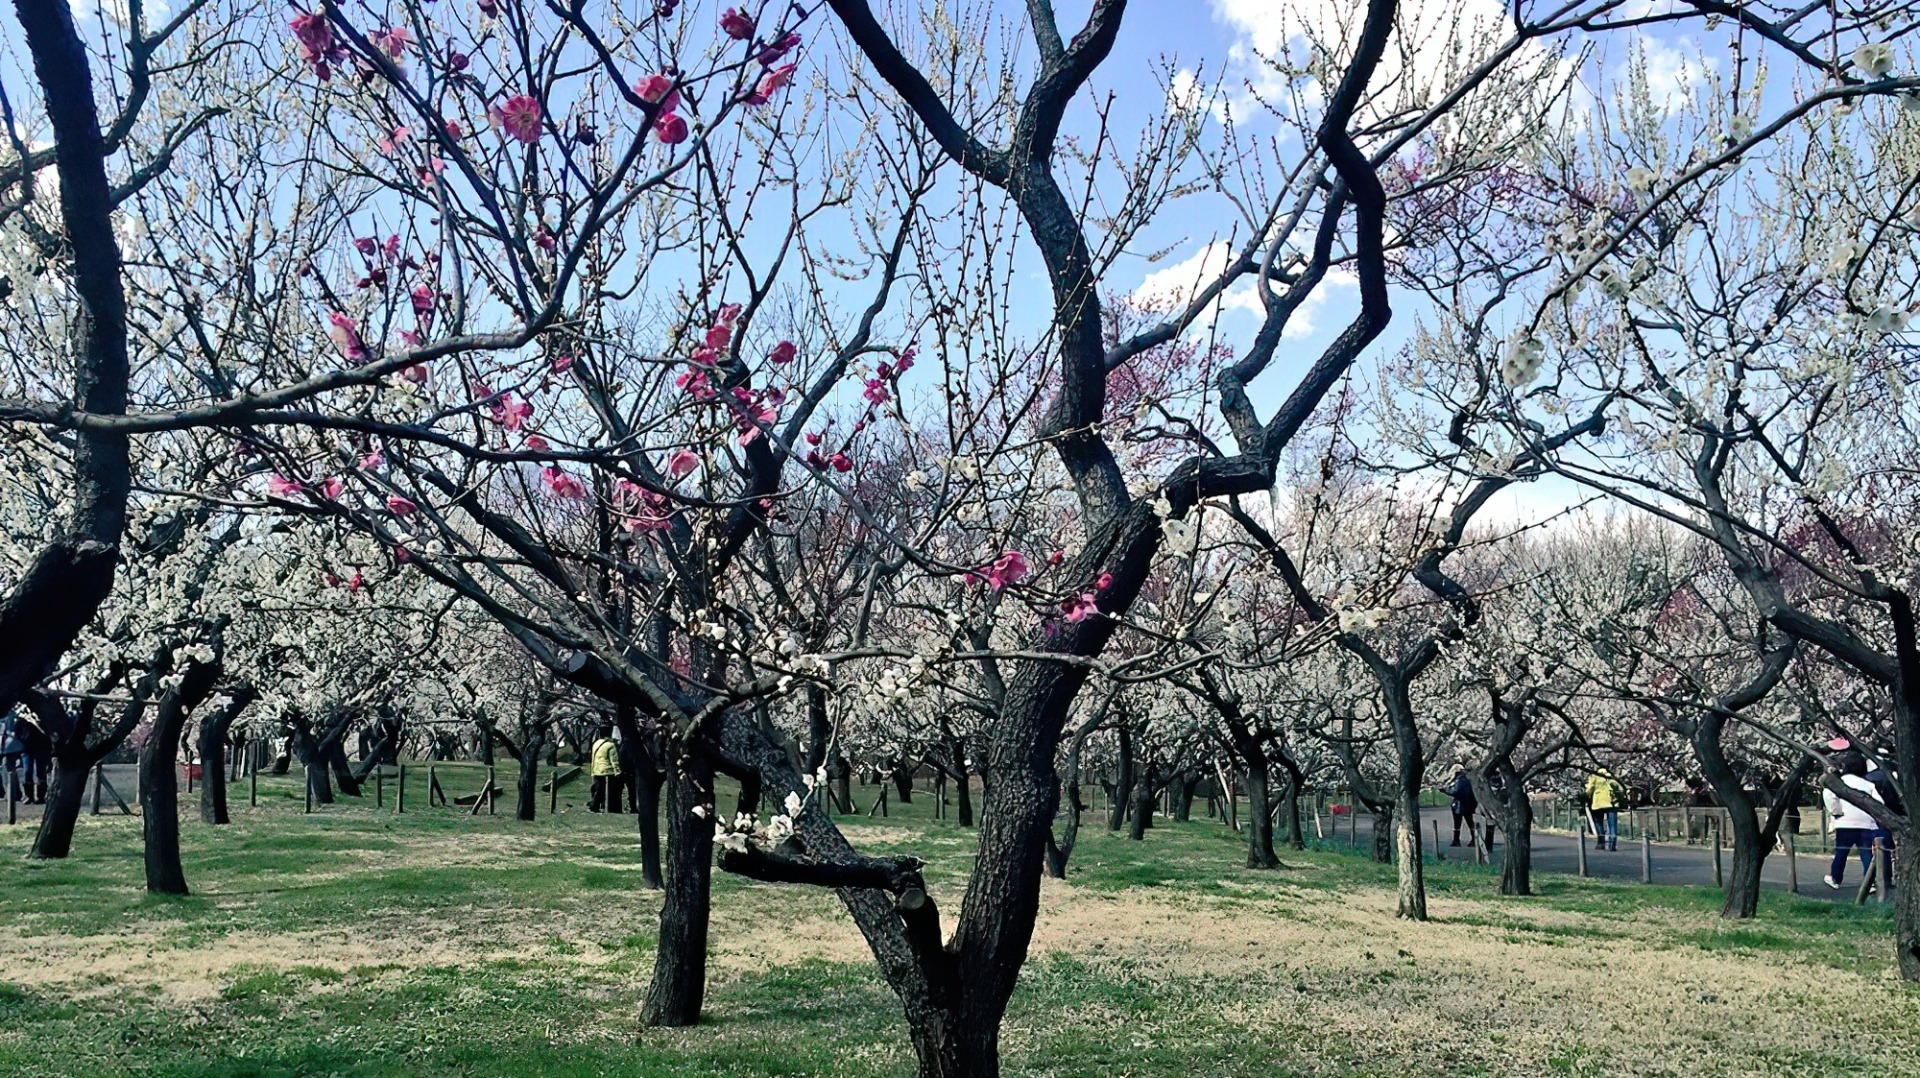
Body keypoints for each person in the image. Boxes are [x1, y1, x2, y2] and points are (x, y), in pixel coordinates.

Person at [1823, 753, 1883, 891]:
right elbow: (1880, 802)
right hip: (1866, 823)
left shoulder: (1839, 782)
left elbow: (1828, 795)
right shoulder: (1868, 784)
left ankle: (1835, 879)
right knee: (1866, 853)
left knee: (1841, 852)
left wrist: (1836, 811)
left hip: (1845, 822)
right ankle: (1870, 883)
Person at [1585, 768, 1624, 852]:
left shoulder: (1594, 776)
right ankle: (1612, 839)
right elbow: (1619, 788)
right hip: (1611, 802)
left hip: (1598, 802)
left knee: (1598, 821)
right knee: (1612, 823)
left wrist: (1587, 795)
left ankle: (1601, 841)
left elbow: (1589, 789)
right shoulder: (1611, 777)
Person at [588, 723, 624, 814]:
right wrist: (617, 771)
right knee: (605, 791)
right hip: (607, 771)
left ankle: (597, 806)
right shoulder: (610, 745)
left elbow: (593, 758)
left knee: (600, 789)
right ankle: (596, 806)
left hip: (597, 770)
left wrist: (592, 771)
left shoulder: (596, 743)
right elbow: (614, 760)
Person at [1445, 763, 1477, 848]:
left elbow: (1455, 791)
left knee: (1458, 823)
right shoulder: (1466, 779)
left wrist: (1446, 789)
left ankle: (1457, 840)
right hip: (1467, 803)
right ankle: (1473, 839)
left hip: (1460, 804)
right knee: (1469, 822)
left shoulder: (1460, 780)